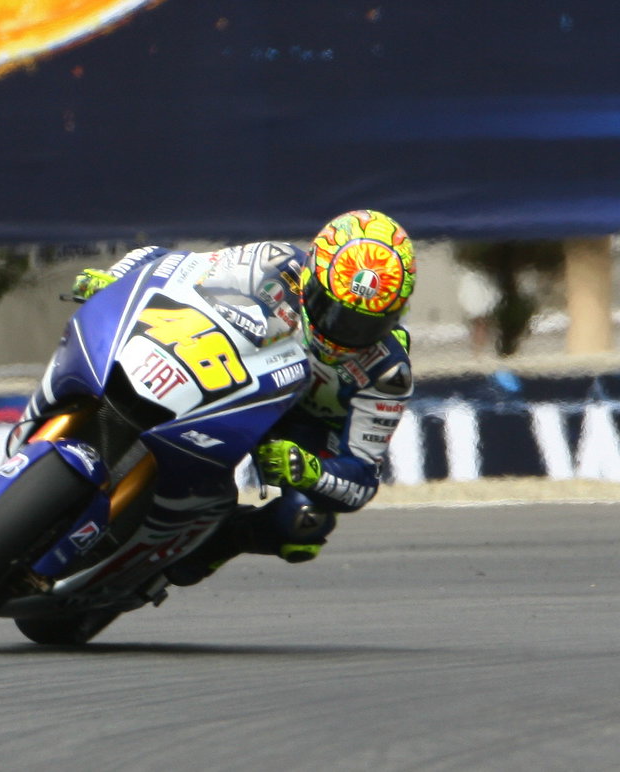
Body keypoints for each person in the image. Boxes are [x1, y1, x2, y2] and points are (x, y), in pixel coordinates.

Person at [65, 209, 416, 585]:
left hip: (299, 430)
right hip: (239, 372)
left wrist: (311, 470)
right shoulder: (274, 263)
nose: (344, 332)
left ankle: (208, 545)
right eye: (334, 312)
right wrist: (117, 281)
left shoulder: (389, 373)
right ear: (311, 278)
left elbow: (362, 477)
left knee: (303, 521)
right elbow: (171, 263)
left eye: (367, 324)